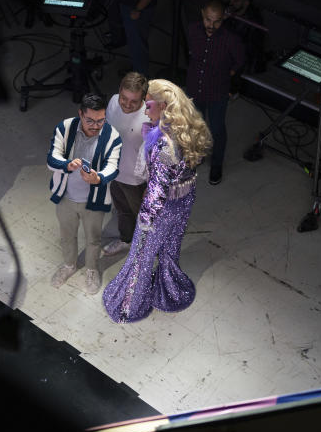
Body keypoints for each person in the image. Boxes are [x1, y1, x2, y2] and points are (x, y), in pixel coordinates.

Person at [103, 79, 212, 323]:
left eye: (148, 104)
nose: (144, 108)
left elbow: (157, 188)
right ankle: (170, 289)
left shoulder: (164, 143)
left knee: (141, 255)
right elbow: (189, 169)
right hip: (184, 200)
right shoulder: (186, 129)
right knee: (170, 247)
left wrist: (146, 218)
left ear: (163, 106)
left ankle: (129, 305)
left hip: (161, 209)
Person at [46, 93, 123, 295]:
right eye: (90, 120)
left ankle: (91, 269)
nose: (95, 125)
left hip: (93, 201)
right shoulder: (65, 127)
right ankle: (69, 265)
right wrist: (66, 165)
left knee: (93, 239)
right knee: (67, 235)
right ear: (80, 114)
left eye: (100, 120)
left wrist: (97, 179)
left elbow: (113, 168)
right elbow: (51, 158)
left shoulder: (113, 136)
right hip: (66, 198)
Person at [185, 0, 246, 186]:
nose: (211, 25)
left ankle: (216, 165)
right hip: (195, 88)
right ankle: (196, 157)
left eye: (217, 21)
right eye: (208, 20)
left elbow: (240, 61)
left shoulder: (231, 40)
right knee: (195, 127)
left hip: (218, 92)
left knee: (217, 129)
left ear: (223, 19)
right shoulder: (193, 30)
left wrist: (228, 76)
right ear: (203, 14)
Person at [102, 72, 151, 257]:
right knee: (122, 211)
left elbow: (155, 155)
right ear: (119, 92)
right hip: (115, 173)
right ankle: (126, 241)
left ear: (143, 99)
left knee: (145, 217)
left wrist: (151, 185)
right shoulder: (114, 101)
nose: (127, 105)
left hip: (137, 180)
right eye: (124, 98)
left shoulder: (149, 118)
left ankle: (148, 252)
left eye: (134, 101)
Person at [224, 0, 267, 74]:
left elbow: (251, 49)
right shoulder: (225, 10)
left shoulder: (253, 23)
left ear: (246, 3)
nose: (231, 3)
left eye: (236, 1)